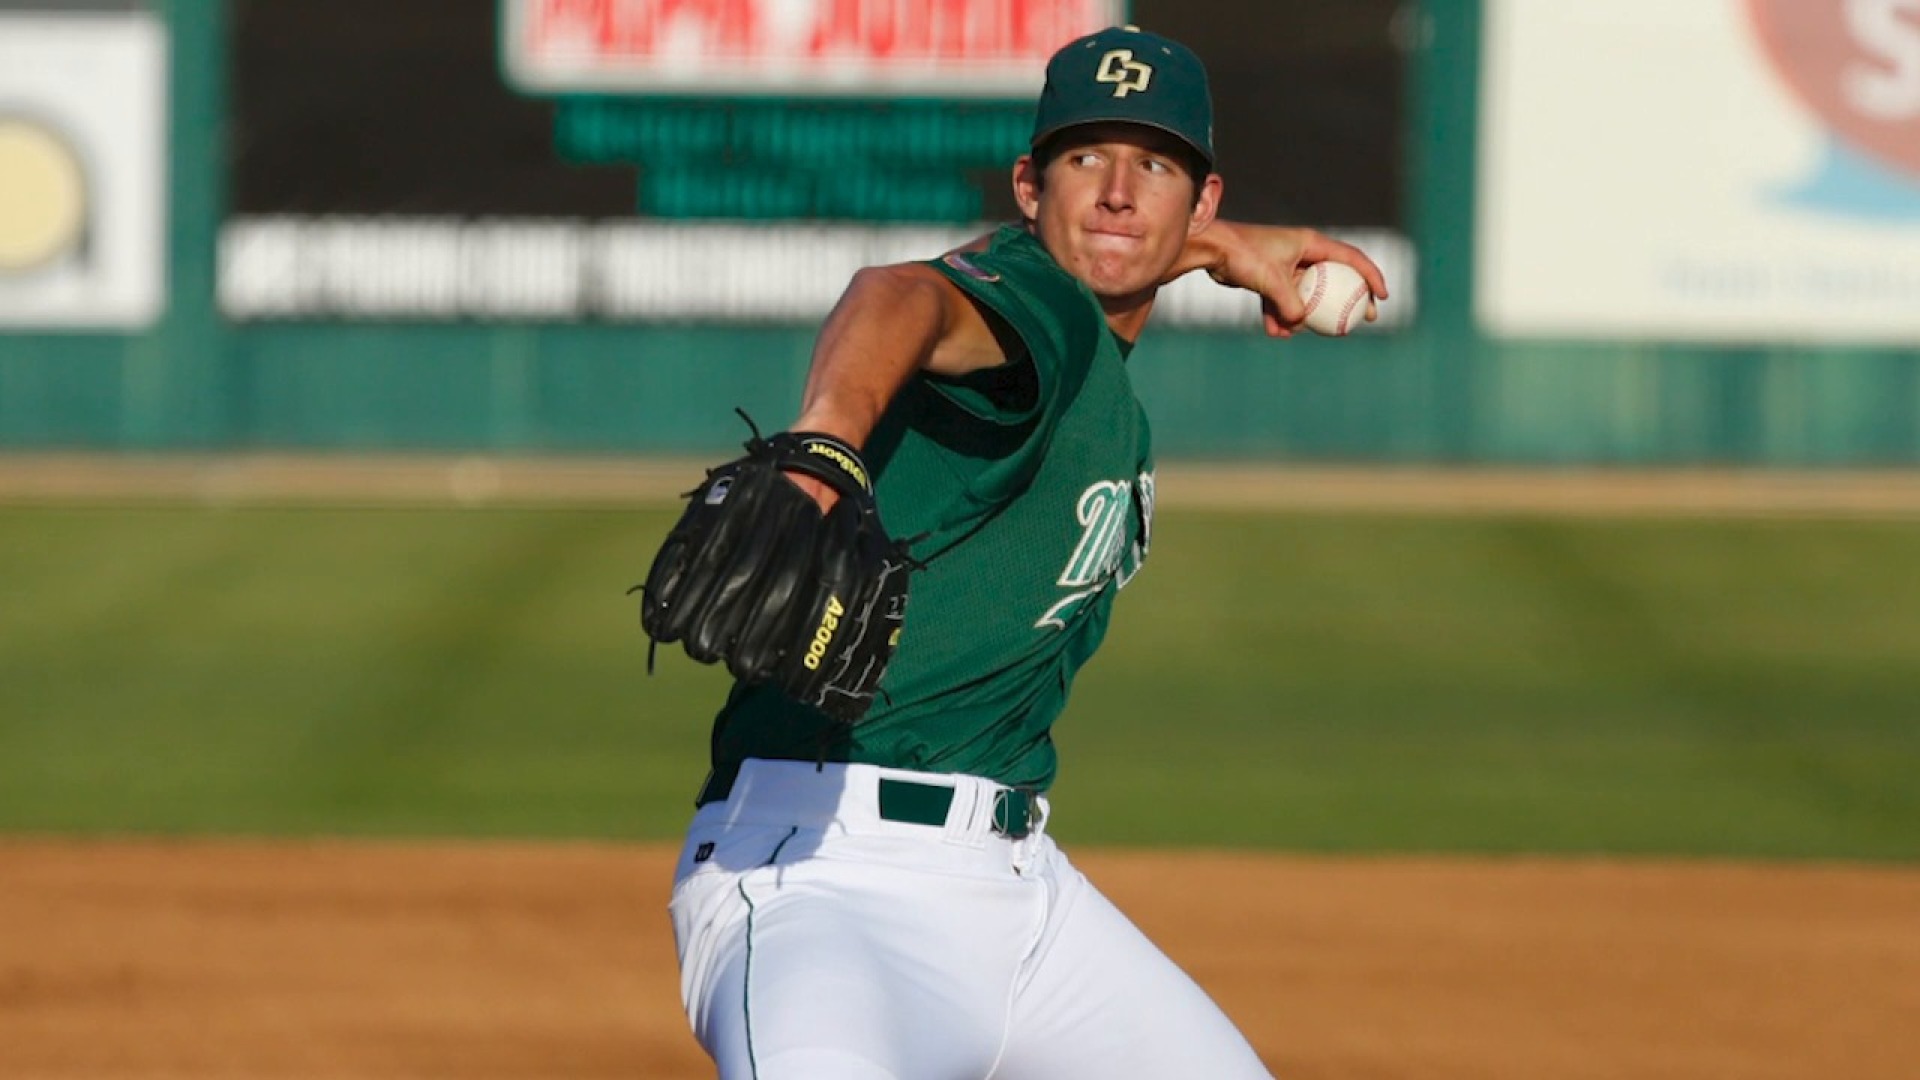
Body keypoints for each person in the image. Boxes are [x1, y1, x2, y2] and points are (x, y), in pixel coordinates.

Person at [664, 24, 1388, 1079]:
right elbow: (894, 296)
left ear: (1204, 198)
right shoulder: (1034, 309)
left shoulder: (1097, 340)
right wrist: (824, 449)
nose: (1117, 191)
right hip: (823, 882)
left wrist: (1225, 252)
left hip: (1024, 903)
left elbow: (1129, 250)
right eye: (1085, 157)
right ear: (1027, 186)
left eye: (1156, 164)